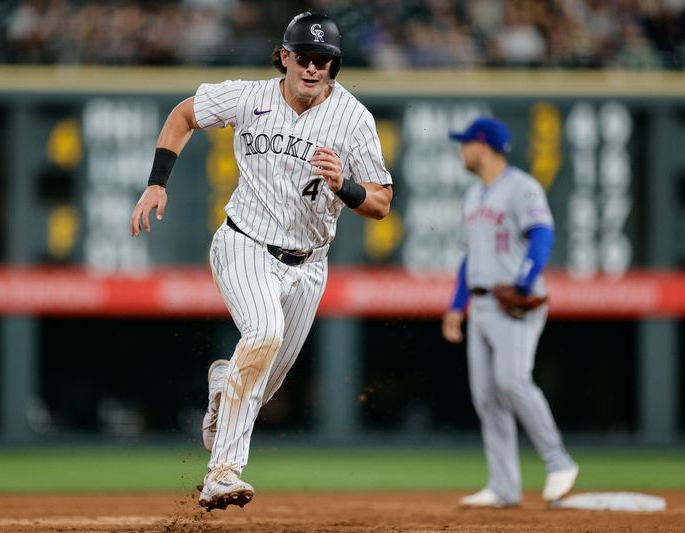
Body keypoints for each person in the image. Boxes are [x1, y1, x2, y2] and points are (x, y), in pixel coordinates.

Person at [130, 12, 393, 511]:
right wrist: (157, 182)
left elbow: (381, 203)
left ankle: (220, 388)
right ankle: (222, 474)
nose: (312, 68)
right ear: (284, 56)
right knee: (264, 334)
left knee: (262, 381)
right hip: (243, 242)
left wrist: (346, 186)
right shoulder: (248, 96)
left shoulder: (353, 119)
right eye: (303, 57)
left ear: (334, 65)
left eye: (324, 60)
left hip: (310, 265)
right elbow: (184, 115)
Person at [442, 117, 578, 508]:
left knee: (512, 380)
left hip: (515, 304)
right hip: (482, 302)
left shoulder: (522, 187)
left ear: (482, 146)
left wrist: (524, 280)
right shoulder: (474, 196)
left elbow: (542, 234)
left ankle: (559, 462)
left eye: (464, 143)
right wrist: (456, 306)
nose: (461, 150)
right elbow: (470, 257)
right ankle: (504, 485)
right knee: (486, 395)